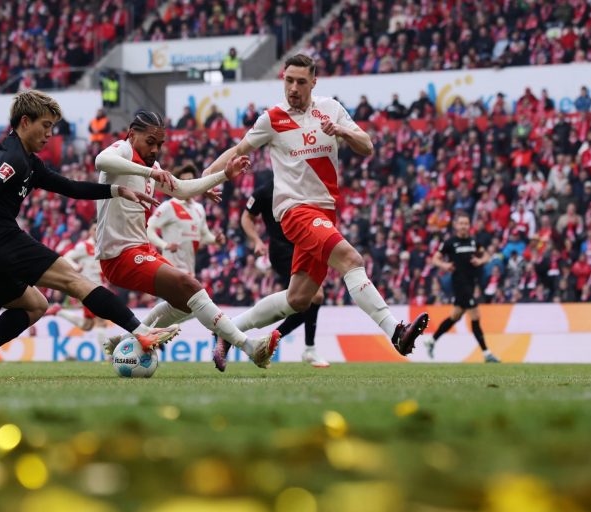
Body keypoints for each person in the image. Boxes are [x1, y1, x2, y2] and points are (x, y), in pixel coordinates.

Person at [203, 54, 429, 368]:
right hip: (295, 212)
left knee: (299, 299)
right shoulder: (273, 118)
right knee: (351, 260)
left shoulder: (331, 109)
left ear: (313, 82)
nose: (293, 88)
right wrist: (206, 179)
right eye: (288, 80)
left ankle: (228, 331)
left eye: (300, 81)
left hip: (324, 212)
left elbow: (367, 145)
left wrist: (341, 131)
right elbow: (238, 150)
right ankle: (396, 332)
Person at [0, 91, 179, 378]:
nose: (49, 134)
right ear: (24, 121)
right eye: (45, 126)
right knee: (76, 280)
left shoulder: (26, 161)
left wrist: (117, 190)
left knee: (36, 305)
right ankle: (142, 332)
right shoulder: (13, 157)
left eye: (52, 128)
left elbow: (70, 187)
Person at [93, 111, 280, 370]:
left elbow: (182, 189)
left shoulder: (152, 168)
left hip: (140, 249)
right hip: (118, 255)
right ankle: (249, 346)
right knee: (189, 286)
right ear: (132, 134)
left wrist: (223, 175)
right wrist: (149, 172)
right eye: (150, 142)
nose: (155, 149)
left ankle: (129, 339)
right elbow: (101, 161)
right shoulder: (122, 151)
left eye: (160, 144)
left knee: (188, 304)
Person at [242, 176, 330, 368]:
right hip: (282, 250)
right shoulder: (265, 191)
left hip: (304, 247)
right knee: (314, 296)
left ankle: (271, 340)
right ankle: (307, 348)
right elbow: (246, 216)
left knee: (303, 302)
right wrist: (256, 240)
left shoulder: (302, 185)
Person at [424, 214, 500, 363]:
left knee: (455, 316)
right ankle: (487, 353)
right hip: (459, 283)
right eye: (461, 223)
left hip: (471, 283)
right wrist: (445, 265)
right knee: (475, 316)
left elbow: (486, 256)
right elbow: (435, 259)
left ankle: (432, 341)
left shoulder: (473, 241)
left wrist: (480, 260)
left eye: (466, 223)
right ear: (456, 226)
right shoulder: (450, 243)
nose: (464, 226)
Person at [146, 164, 224, 275]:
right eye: (183, 181)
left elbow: (204, 235)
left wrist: (215, 240)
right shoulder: (169, 206)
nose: (187, 184)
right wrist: (164, 245)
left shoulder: (199, 208)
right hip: (171, 270)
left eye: (190, 180)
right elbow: (149, 228)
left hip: (190, 271)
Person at [46, 225, 107, 333]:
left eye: (100, 229)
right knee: (101, 320)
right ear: (89, 231)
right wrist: (76, 267)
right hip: (90, 289)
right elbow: (66, 257)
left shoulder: (102, 246)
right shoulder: (84, 246)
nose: (97, 232)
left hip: (98, 287)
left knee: (87, 325)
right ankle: (106, 350)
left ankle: (59, 311)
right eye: (94, 229)